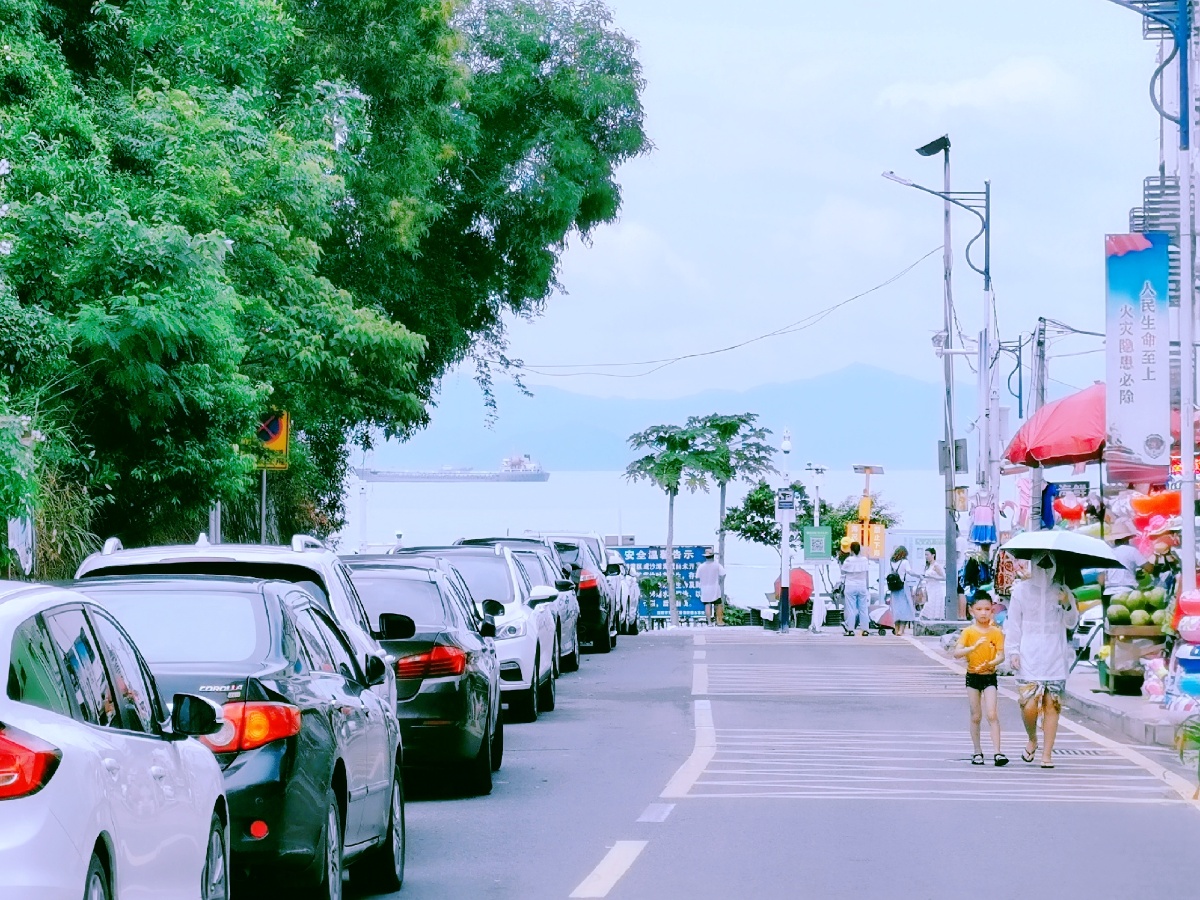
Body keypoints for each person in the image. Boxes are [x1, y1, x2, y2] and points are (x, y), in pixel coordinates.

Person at [1006, 551, 1079, 769]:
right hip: (1028, 653)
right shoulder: (1020, 591)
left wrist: (1067, 603)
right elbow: (1013, 624)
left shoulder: (1063, 591)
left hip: (1055, 653)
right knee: (1028, 706)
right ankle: (1032, 738)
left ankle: (1047, 754)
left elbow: (1072, 621)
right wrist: (1013, 651)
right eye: (1041, 562)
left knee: (1052, 705)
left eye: (1050, 563)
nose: (1045, 568)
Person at [952, 592, 1008, 766]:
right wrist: (972, 648)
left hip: (989, 676)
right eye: (979, 609)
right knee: (976, 715)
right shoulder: (968, 632)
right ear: (971, 611)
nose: (983, 613)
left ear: (992, 610)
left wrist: (991, 663)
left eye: (987, 609)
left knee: (992, 713)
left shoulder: (996, 632)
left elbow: (1001, 655)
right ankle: (977, 751)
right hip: (973, 677)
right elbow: (957, 653)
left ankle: (998, 752)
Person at [1097, 520, 1145, 598]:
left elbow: (1101, 580)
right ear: (1126, 539)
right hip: (1128, 591)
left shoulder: (1106, 553)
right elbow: (1149, 568)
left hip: (1109, 593)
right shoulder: (1132, 551)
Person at [841, 541, 871, 636]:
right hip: (862, 585)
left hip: (850, 585)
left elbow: (843, 573)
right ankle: (865, 629)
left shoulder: (848, 560)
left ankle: (850, 629)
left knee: (851, 608)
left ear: (851, 549)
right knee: (863, 608)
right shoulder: (865, 560)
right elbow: (866, 572)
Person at [886, 546, 916, 636]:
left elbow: (888, 574)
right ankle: (901, 630)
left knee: (895, 608)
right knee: (904, 608)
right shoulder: (905, 562)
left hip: (893, 588)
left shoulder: (891, 562)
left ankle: (896, 629)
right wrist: (918, 575)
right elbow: (910, 572)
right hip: (902, 587)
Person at [697, 548, 725, 626]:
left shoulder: (701, 566)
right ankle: (719, 621)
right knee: (718, 605)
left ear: (705, 557)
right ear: (713, 556)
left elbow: (697, 576)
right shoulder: (717, 565)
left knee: (707, 605)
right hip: (715, 587)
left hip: (705, 588)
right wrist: (720, 582)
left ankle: (709, 622)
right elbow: (723, 574)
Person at [919, 548, 947, 621]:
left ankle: (935, 620)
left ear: (933, 555)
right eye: (925, 555)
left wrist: (934, 577)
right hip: (929, 588)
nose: (926, 556)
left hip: (935, 588)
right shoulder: (928, 566)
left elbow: (944, 577)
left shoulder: (936, 565)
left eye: (927, 555)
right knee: (929, 604)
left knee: (932, 604)